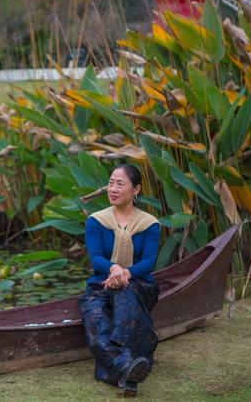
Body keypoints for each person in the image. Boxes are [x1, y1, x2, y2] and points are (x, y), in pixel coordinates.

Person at [79, 164, 161, 397]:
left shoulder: (150, 224)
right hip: (101, 285)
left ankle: (118, 367)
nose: (112, 188)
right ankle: (127, 367)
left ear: (136, 190)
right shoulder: (96, 221)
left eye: (120, 184)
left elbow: (148, 262)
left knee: (126, 294)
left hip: (139, 284)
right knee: (95, 321)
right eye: (111, 182)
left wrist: (125, 274)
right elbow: (96, 259)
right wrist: (114, 268)